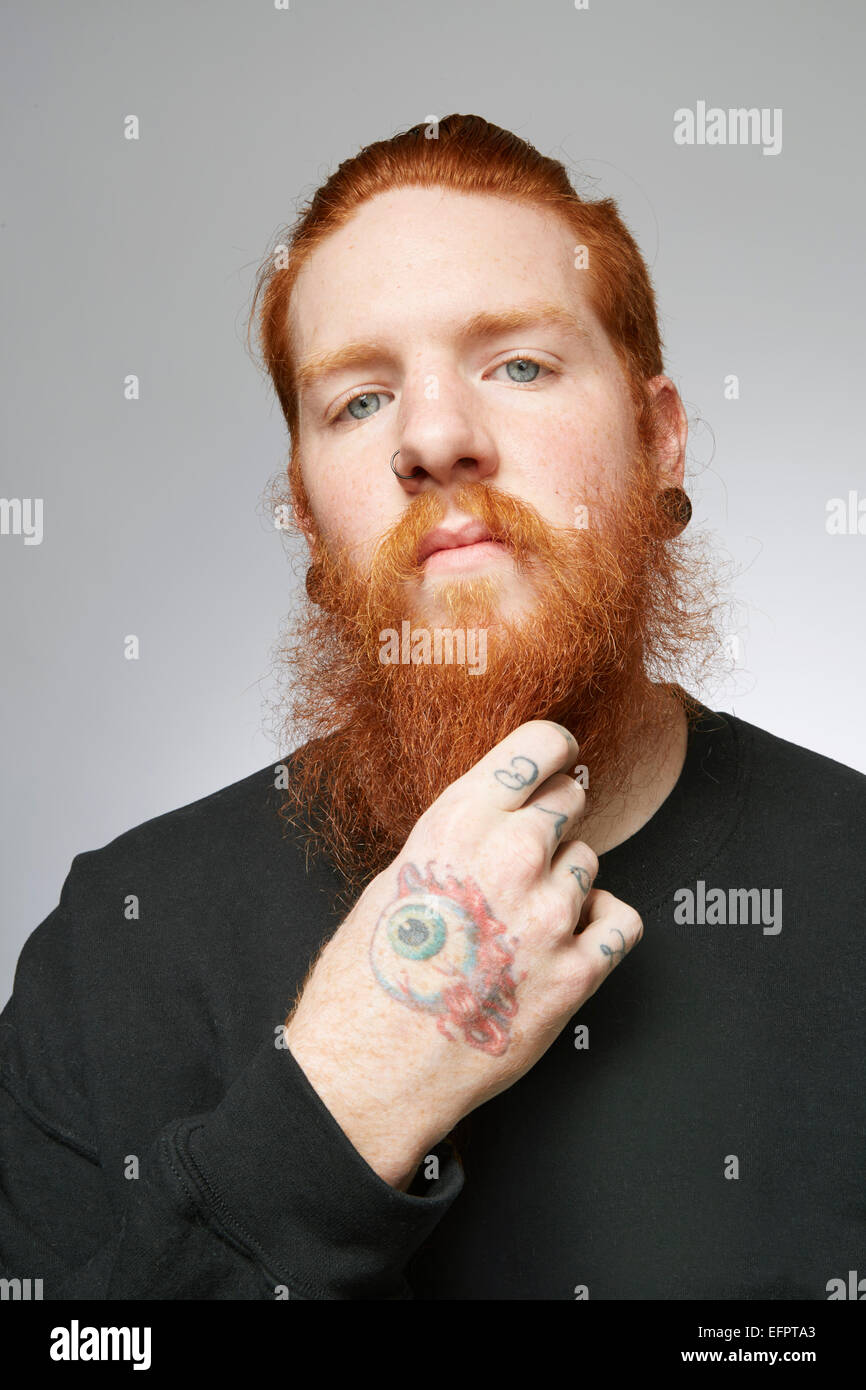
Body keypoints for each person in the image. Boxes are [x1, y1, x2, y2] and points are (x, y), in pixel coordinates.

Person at [1, 114, 863, 1301]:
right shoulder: (118, 946)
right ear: (307, 514)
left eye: (517, 364)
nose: (434, 439)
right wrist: (344, 1102)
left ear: (659, 439)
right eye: (357, 399)